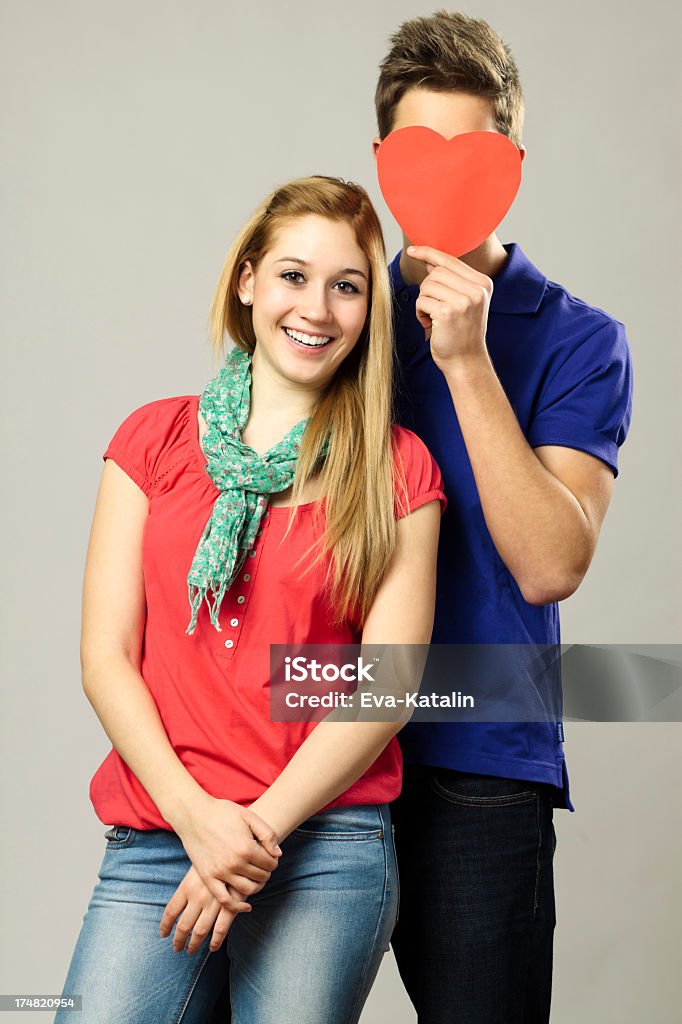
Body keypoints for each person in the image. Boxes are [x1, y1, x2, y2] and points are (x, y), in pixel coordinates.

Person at [55, 175, 446, 1024]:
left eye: (348, 287)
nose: (318, 308)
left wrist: (251, 833)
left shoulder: (397, 466)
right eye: (293, 276)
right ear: (248, 282)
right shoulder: (149, 440)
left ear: (369, 309)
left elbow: (388, 685)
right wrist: (198, 820)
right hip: (160, 832)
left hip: (322, 848)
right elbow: (106, 656)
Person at [369, 10, 634, 1024]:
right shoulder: (334, 316)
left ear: (511, 165)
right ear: (381, 162)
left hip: (478, 761)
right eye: (415, 157)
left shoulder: (577, 338)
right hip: (316, 740)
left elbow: (550, 563)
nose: (437, 185)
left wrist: (466, 360)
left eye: (467, 157)